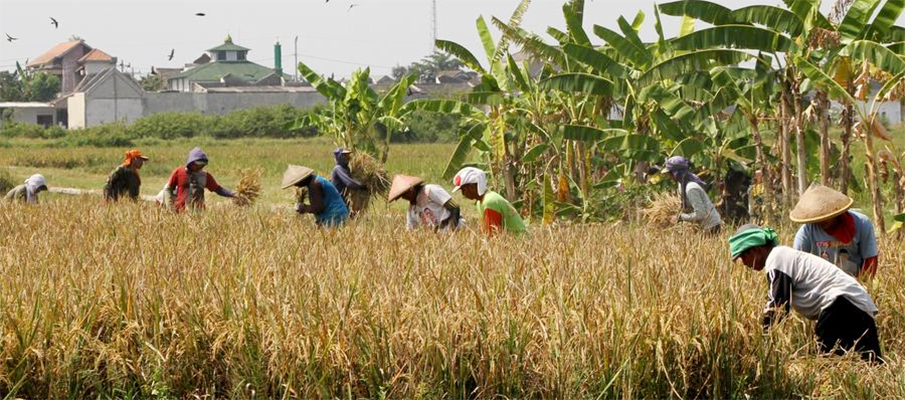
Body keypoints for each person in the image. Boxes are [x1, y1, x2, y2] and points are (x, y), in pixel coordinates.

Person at [729, 224, 882, 363]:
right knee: (871, 364)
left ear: (756, 250)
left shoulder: (776, 258)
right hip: (859, 306)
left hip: (841, 303)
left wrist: (762, 340)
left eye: (743, 257)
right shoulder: (784, 255)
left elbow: (778, 305)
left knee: (825, 362)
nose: (744, 263)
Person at [790, 185, 878, 279]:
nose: (821, 221)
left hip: (854, 280)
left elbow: (870, 260)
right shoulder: (806, 231)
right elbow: (797, 264)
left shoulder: (862, 223)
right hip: (823, 282)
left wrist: (862, 283)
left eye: (825, 218)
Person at [451, 167, 526, 235]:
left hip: (519, 241)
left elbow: (493, 235)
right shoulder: (481, 202)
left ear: (472, 187)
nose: (463, 193)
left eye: (464, 189)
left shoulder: (490, 202)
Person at [164, 147, 238, 212]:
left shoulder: (205, 176)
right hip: (180, 212)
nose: (200, 167)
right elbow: (168, 189)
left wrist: (232, 193)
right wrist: (170, 207)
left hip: (198, 212)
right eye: (197, 165)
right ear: (191, 163)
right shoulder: (179, 172)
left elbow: (218, 189)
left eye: (202, 165)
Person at [661, 156, 722, 234]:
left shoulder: (691, 188)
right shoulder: (681, 185)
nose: (670, 177)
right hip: (702, 226)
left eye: (670, 174)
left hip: (711, 227)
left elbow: (701, 214)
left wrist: (680, 217)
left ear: (676, 173)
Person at [388, 174, 463, 231]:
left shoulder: (430, 190)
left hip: (456, 228)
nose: (404, 198)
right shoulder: (412, 209)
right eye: (402, 196)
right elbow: (411, 230)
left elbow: (454, 207)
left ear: (411, 189)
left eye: (405, 194)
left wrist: (452, 229)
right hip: (439, 238)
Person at [282, 164, 349, 227]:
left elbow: (318, 208)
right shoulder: (315, 180)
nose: (296, 185)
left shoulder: (314, 185)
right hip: (337, 213)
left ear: (302, 179)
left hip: (334, 216)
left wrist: (303, 208)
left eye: (296, 182)